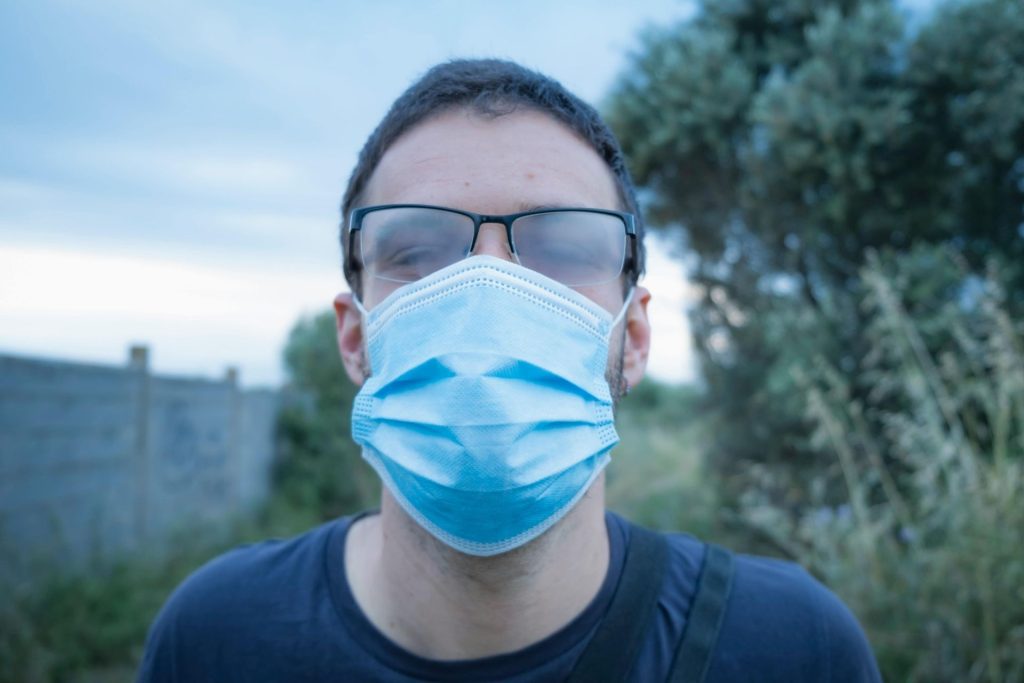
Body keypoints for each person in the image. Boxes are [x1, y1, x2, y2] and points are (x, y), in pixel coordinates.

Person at [138, 59, 882, 682]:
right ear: (355, 336)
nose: (485, 295)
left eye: (563, 246)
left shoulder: (792, 648)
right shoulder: (215, 639)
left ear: (636, 334)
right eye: (417, 253)